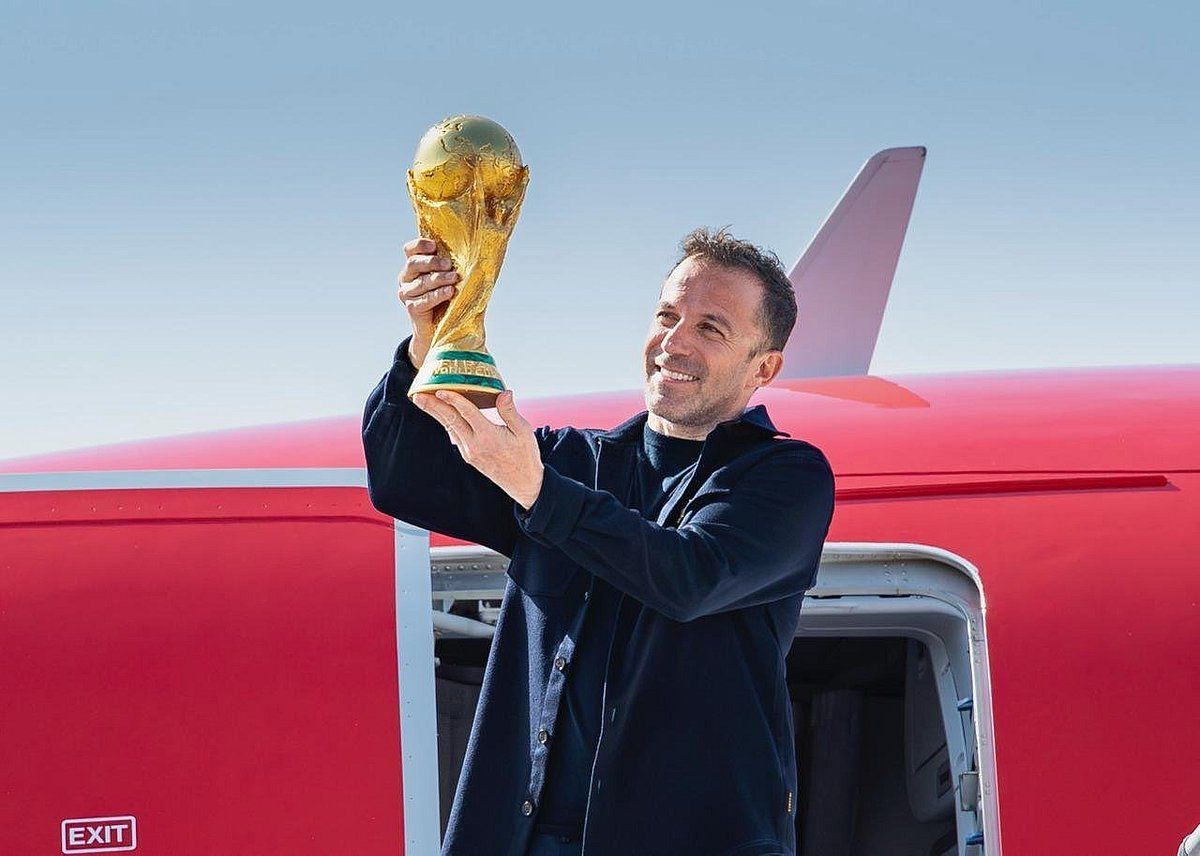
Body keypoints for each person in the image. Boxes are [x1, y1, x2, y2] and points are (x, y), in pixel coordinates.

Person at [362, 227, 836, 856]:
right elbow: (406, 479)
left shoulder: (786, 477)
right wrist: (430, 341)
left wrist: (539, 492)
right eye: (667, 315)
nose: (675, 341)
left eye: (711, 328)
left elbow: (689, 577)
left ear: (764, 368)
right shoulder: (567, 462)